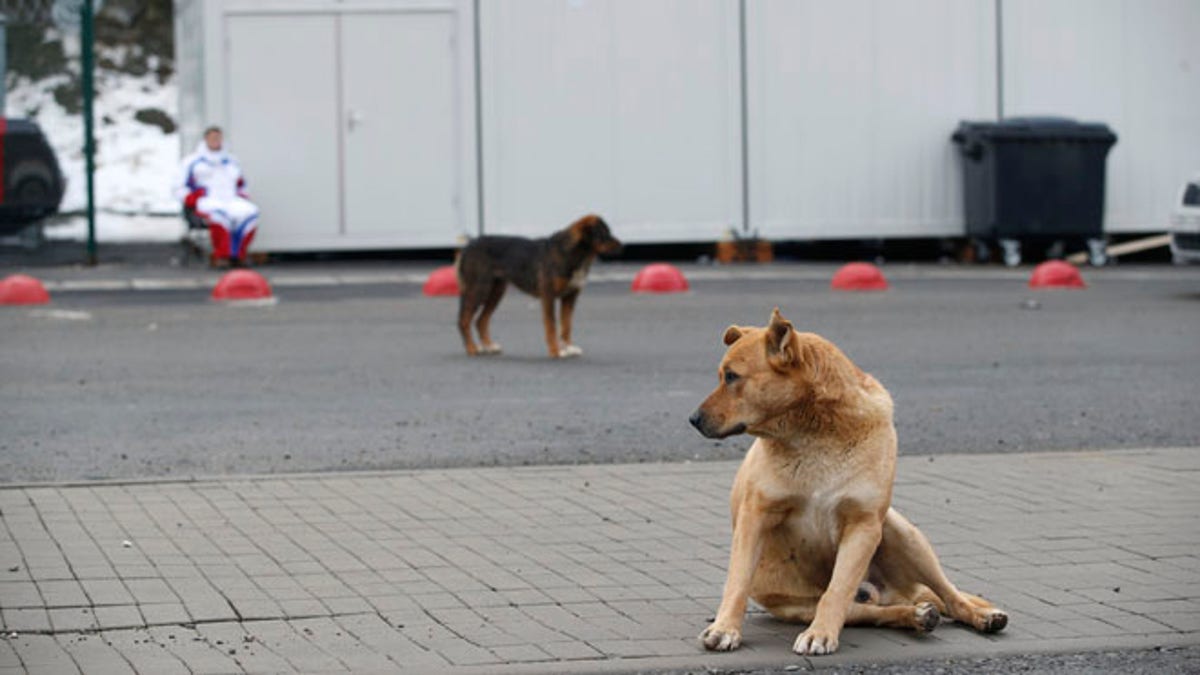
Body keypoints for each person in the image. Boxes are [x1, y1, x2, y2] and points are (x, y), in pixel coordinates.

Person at [175, 126, 259, 267]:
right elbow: (179, 186)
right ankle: (222, 255)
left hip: (230, 199)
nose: (215, 141)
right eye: (212, 138)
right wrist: (191, 198)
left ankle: (239, 254)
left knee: (250, 213)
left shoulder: (231, 160)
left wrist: (242, 195)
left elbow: (241, 184)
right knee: (220, 217)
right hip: (207, 200)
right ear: (205, 139)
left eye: (218, 138)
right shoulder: (192, 162)